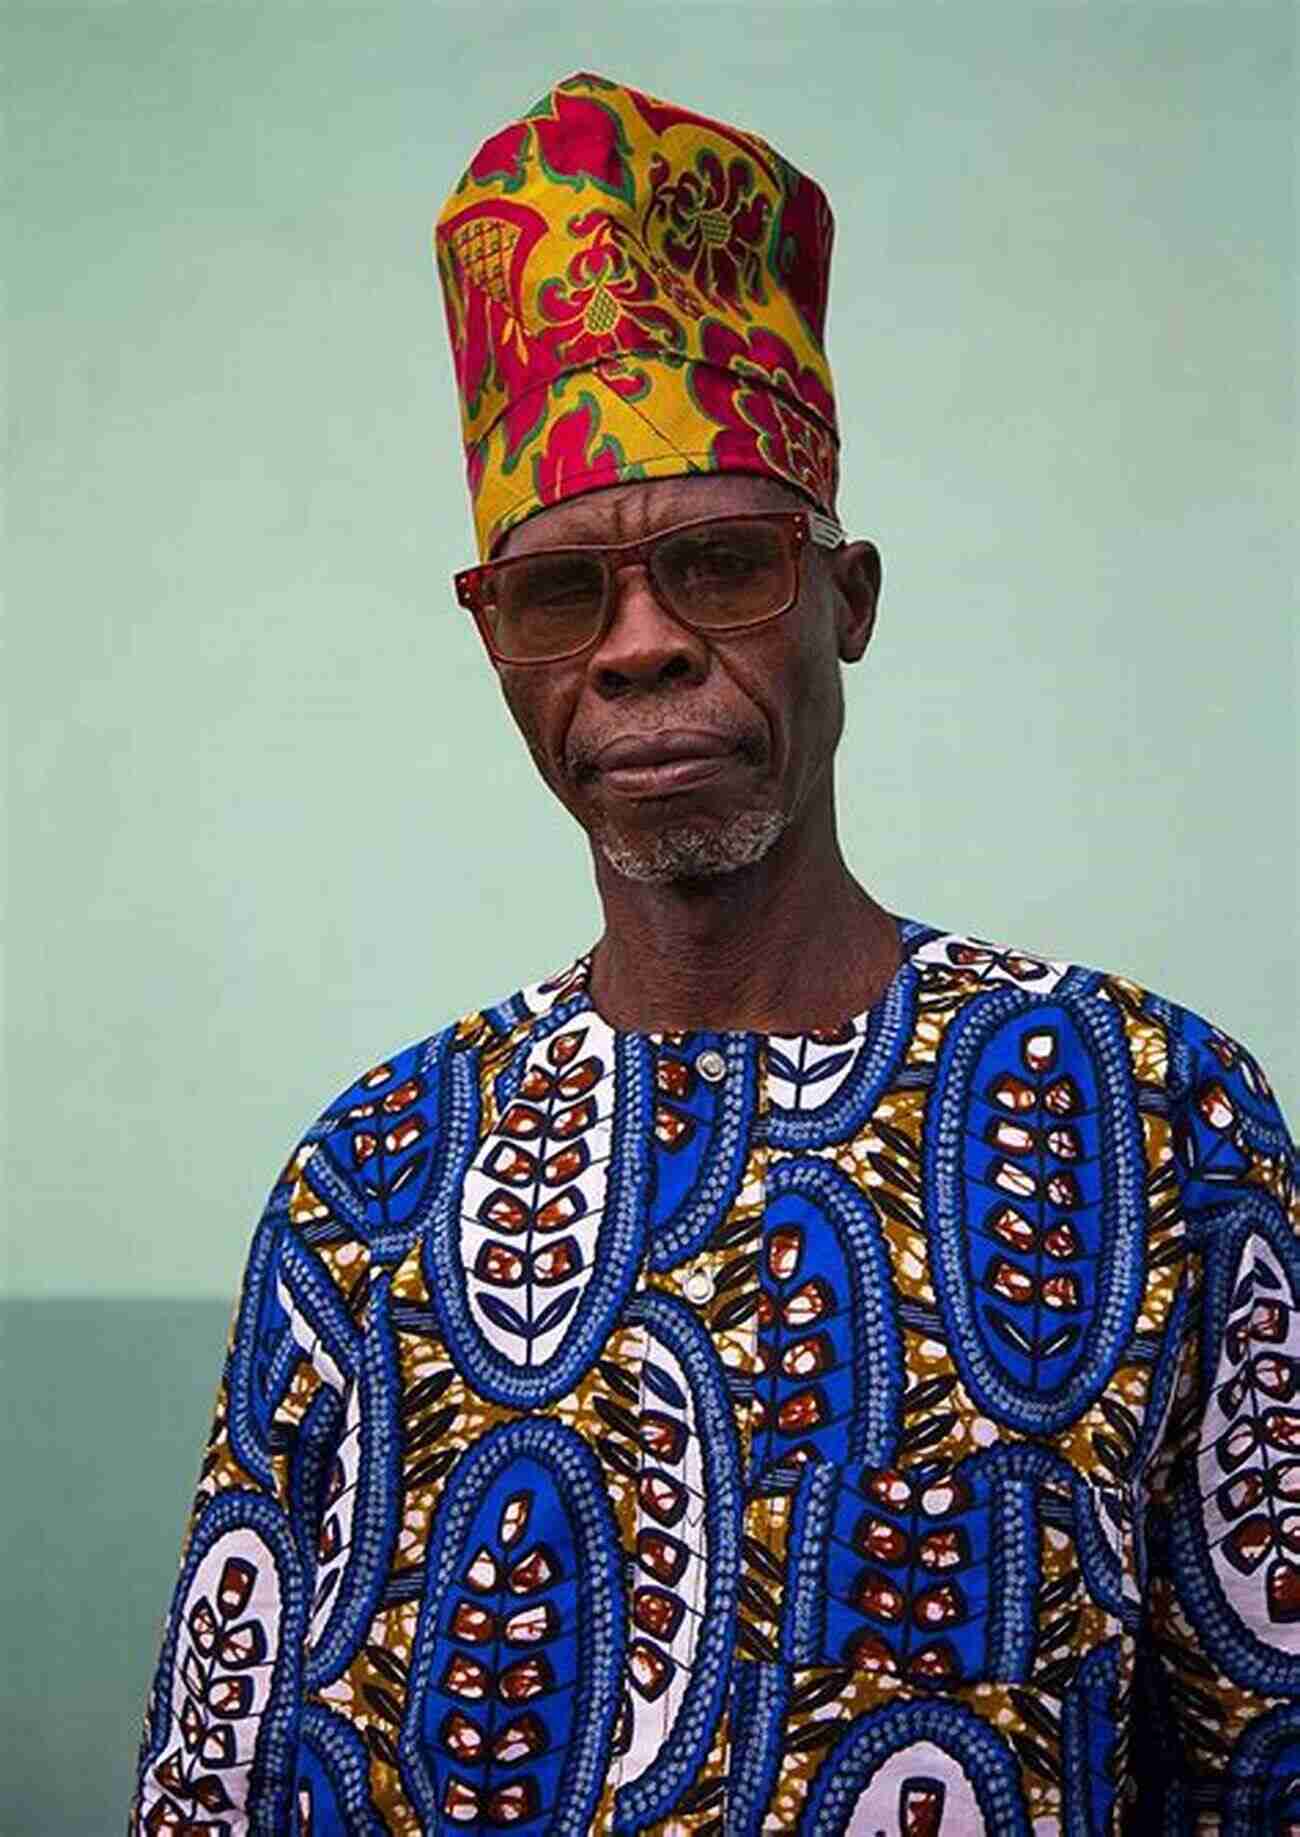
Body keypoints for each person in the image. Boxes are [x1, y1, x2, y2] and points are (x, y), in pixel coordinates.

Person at [130, 72, 1298, 1835]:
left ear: (850, 596)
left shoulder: (1158, 1120)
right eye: (558, 593)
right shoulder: (367, 1189)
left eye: (724, 565)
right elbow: (208, 1784)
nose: (642, 648)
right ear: (499, 645)